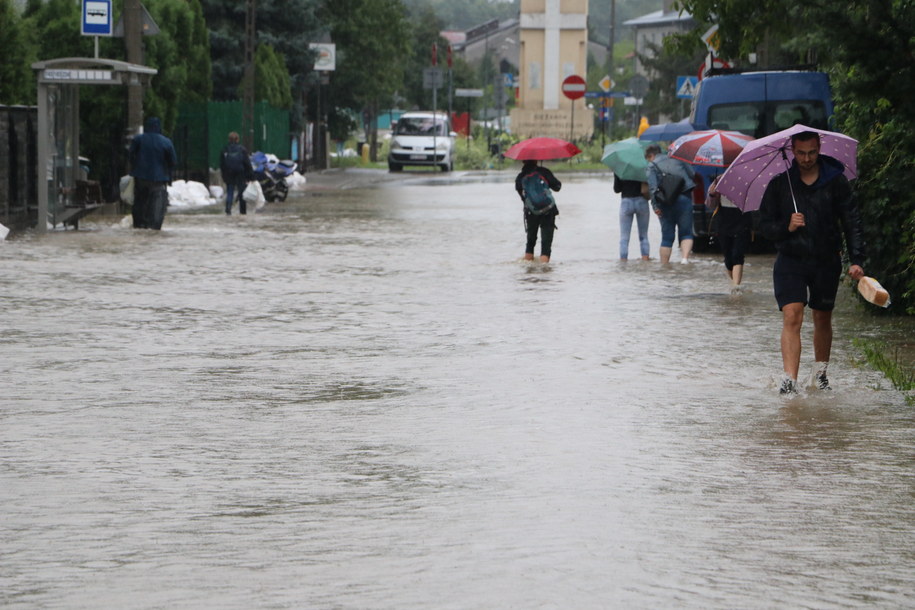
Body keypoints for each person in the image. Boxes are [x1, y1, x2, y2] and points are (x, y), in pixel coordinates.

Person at [758, 131, 865, 395]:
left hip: (826, 259)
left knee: (822, 316)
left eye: (812, 152)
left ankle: (820, 375)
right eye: (802, 153)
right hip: (790, 260)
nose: (807, 158)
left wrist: (857, 260)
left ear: (819, 149)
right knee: (792, 314)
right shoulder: (780, 184)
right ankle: (789, 381)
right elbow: (762, 226)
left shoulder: (836, 182)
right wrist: (787, 226)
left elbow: (851, 221)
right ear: (792, 150)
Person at [644, 144, 696, 263]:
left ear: (651, 155)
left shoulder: (652, 166)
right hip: (684, 197)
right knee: (686, 232)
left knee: (667, 237)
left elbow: (653, 188)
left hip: (665, 202)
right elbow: (692, 174)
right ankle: (684, 259)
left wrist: (655, 206)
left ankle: (665, 265)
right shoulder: (678, 158)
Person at [129, 117, 177, 230]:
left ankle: (140, 225)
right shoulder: (166, 142)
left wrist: (136, 167)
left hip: (141, 178)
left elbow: (131, 156)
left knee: (140, 203)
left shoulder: (138, 140)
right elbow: (173, 161)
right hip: (158, 180)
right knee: (156, 207)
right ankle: (153, 228)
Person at [707, 175, 752, 292]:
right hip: (723, 222)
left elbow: (754, 202)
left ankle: (736, 287)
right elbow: (710, 205)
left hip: (742, 220)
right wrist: (713, 193)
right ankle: (733, 285)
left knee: (738, 254)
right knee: (728, 257)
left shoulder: (747, 180)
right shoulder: (719, 180)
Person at [515, 159, 561, 263]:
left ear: (523, 161)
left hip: (531, 212)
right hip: (548, 210)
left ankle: (529, 270)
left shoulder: (520, 177)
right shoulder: (544, 172)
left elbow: (523, 197)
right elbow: (558, 187)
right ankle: (544, 273)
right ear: (536, 160)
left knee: (530, 243)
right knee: (546, 244)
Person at [613, 174, 650, 260]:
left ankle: (623, 262)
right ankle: (645, 260)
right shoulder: (643, 166)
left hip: (626, 201)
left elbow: (617, 189)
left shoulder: (620, 168)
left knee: (624, 237)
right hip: (642, 201)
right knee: (644, 236)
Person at [220, 131, 253, 215]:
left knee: (230, 191)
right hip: (240, 173)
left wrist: (224, 175)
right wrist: (250, 175)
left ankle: (228, 209)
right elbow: (247, 163)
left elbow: (222, 164)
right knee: (241, 191)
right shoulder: (242, 149)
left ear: (229, 139)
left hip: (229, 173)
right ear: (237, 139)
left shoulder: (225, 149)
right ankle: (242, 211)